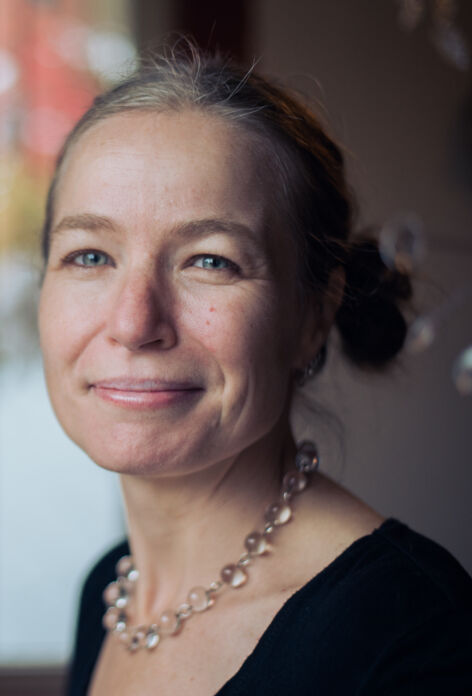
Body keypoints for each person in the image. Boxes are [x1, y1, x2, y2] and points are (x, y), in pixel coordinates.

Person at [37, 50, 472, 695]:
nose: (133, 323)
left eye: (210, 261)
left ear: (312, 315)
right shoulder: (109, 592)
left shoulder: (414, 636)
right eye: (90, 255)